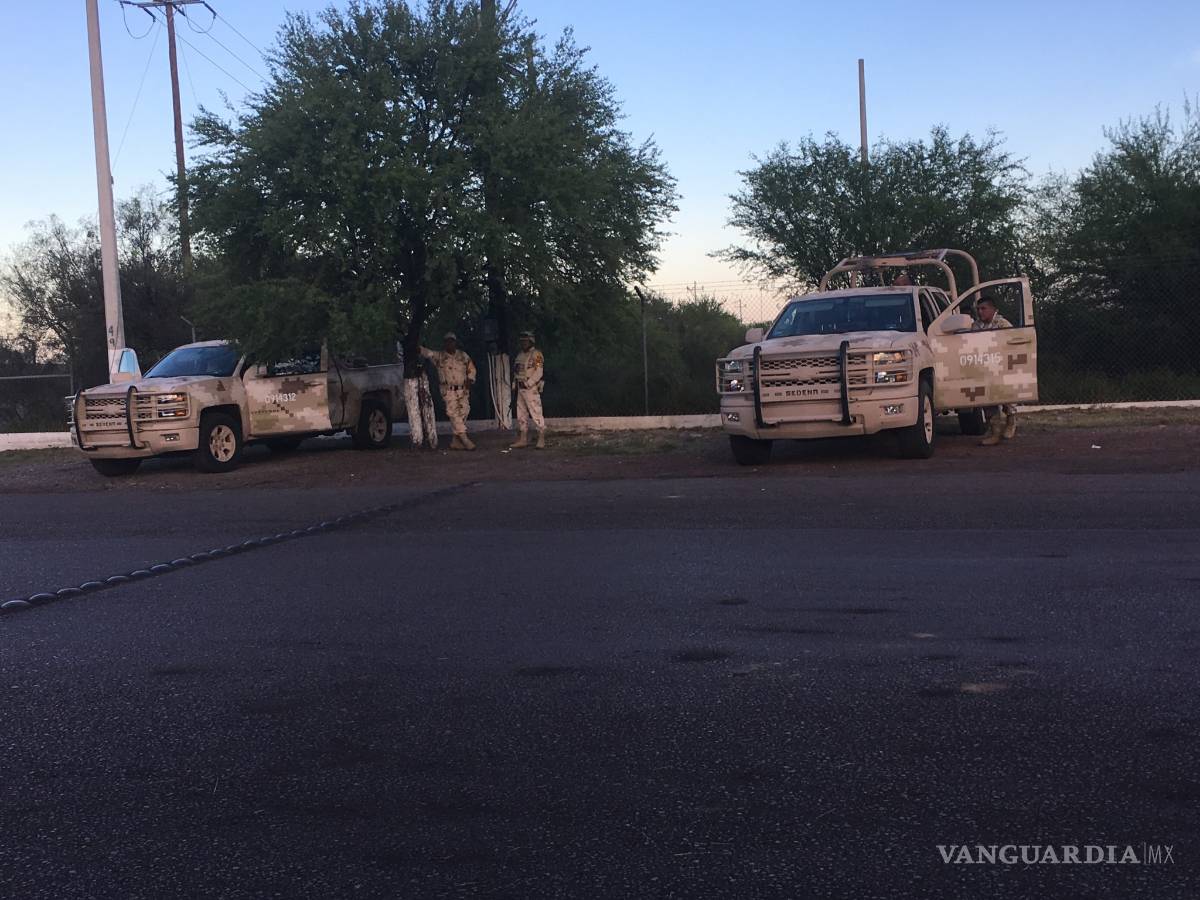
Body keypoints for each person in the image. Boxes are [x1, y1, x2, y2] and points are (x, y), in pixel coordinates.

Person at [420, 332, 477, 450]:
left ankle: (455, 441)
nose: (450, 343)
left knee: (464, 412)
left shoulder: (463, 355)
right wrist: (417, 347)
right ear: (444, 343)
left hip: (463, 390)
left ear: (455, 342)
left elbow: (471, 368)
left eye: (452, 341)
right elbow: (427, 353)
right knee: (454, 414)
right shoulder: (440, 356)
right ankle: (465, 439)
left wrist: (470, 380)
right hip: (449, 391)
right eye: (447, 341)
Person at [973, 296, 1016, 446]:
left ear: (992, 309)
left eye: (983, 308)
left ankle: (1011, 422)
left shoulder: (1002, 324)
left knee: (1006, 397)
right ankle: (995, 432)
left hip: (1002, 365)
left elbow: (1011, 342)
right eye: (978, 309)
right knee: (988, 399)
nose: (980, 312)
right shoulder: (976, 326)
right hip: (984, 367)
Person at [510, 330, 546, 449]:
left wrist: (529, 383)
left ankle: (541, 438)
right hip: (520, 388)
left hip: (531, 388)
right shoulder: (520, 355)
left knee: (536, 412)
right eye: (522, 341)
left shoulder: (537, 355)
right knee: (521, 414)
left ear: (531, 341)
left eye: (526, 341)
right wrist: (514, 384)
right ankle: (523, 439)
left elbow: (539, 372)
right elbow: (516, 371)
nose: (524, 343)